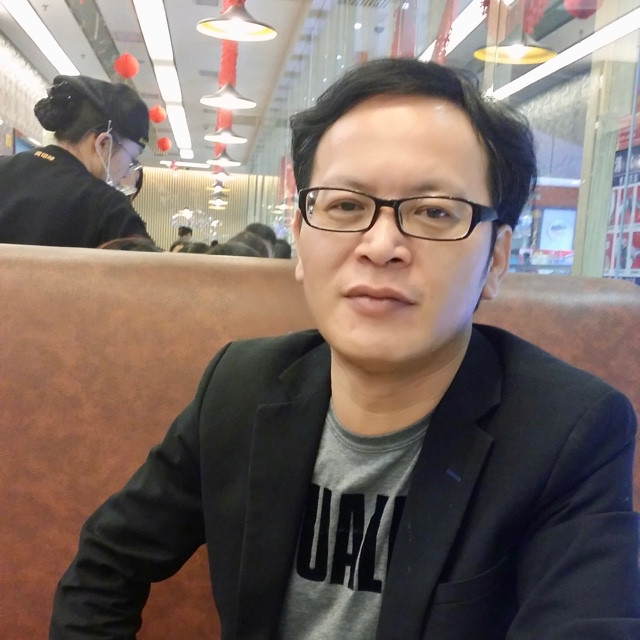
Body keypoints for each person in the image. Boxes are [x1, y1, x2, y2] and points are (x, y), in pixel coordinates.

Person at [49, 58, 639, 639]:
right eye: (346, 206)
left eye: (435, 212)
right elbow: (106, 563)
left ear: (497, 259)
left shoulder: (568, 435)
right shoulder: (239, 388)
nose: (381, 246)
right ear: (300, 240)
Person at [0, 75, 152, 248]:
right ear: (103, 143)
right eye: (131, 158)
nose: (126, 173)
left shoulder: (4, 168)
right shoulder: (109, 209)